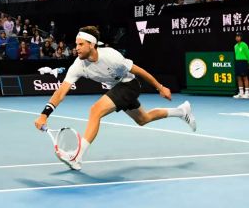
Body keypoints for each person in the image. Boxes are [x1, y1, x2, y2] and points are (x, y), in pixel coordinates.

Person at [34, 26, 196, 171]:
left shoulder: (111, 56)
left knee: (95, 110)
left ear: (92, 44)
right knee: (143, 119)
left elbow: (139, 71)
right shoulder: (78, 66)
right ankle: (182, 111)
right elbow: (61, 92)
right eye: (76, 44)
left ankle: (77, 157)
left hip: (129, 85)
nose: (77, 48)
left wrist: (160, 87)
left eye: (81, 44)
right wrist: (44, 114)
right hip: (117, 89)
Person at [234, 32, 249, 99]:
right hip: (237, 62)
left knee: (245, 77)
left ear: (241, 37)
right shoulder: (235, 46)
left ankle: (247, 93)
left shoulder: (244, 45)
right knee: (239, 77)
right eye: (236, 36)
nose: (237, 37)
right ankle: (241, 92)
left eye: (239, 36)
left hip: (244, 62)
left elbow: (248, 54)